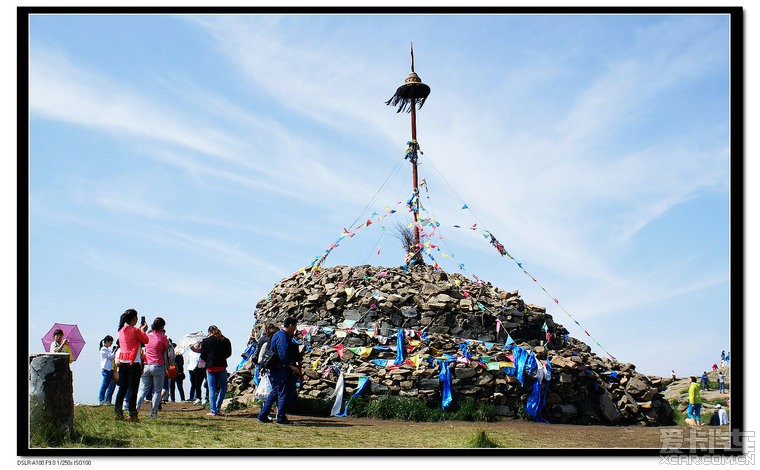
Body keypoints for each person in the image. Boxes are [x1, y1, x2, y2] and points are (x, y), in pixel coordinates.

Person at [257, 317, 303, 425]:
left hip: (275, 368)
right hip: (280, 369)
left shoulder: (278, 335)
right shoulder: (282, 337)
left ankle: (263, 415)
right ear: (291, 325)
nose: (295, 329)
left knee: (275, 392)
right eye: (295, 326)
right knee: (282, 393)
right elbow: (283, 354)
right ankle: (281, 417)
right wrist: (292, 366)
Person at [114, 309, 149, 422]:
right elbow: (146, 340)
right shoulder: (135, 330)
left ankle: (118, 412)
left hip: (123, 362)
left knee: (122, 388)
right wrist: (143, 330)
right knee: (133, 389)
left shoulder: (121, 330)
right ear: (134, 319)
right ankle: (132, 414)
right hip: (134, 363)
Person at [136, 317, 170, 419]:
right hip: (158, 365)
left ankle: (135, 409)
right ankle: (153, 413)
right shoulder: (163, 337)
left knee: (142, 390)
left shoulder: (148, 336)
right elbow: (166, 349)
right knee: (157, 391)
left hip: (146, 365)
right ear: (162, 326)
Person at [199, 325, 232, 417]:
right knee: (223, 389)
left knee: (212, 389)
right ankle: (217, 408)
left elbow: (203, 355)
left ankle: (213, 410)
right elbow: (229, 353)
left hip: (210, 367)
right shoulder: (225, 340)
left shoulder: (206, 341)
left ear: (209, 332)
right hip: (221, 366)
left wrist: (209, 360)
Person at [98, 335, 117, 405]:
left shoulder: (107, 349)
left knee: (107, 385)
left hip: (109, 369)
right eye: (110, 342)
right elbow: (111, 356)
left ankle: (104, 400)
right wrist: (115, 351)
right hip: (106, 369)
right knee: (104, 385)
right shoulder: (103, 349)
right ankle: (101, 399)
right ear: (107, 342)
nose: (111, 344)